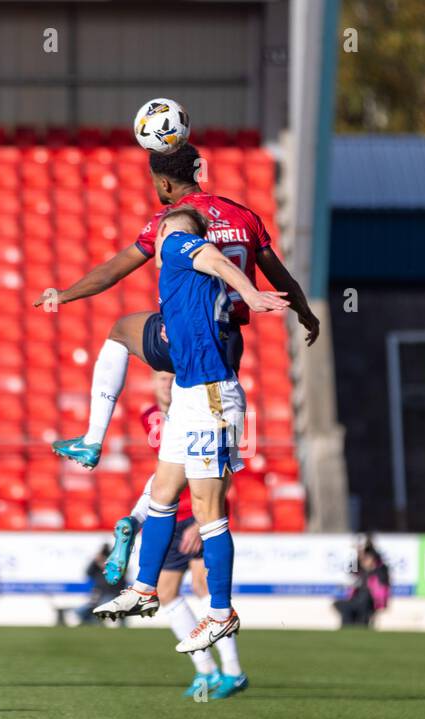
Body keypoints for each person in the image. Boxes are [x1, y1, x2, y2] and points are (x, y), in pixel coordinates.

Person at [36, 143, 320, 469]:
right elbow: (282, 278)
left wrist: (65, 294)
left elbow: (113, 270)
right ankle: (149, 512)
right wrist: (306, 313)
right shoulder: (244, 215)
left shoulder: (171, 222)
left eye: (155, 180)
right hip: (230, 346)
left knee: (119, 332)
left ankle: (92, 439)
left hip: (186, 340)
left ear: (165, 184)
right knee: (191, 466)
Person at [92, 205, 287, 664]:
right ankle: (143, 589)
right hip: (188, 394)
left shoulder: (180, 242)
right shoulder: (184, 272)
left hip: (212, 397)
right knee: (162, 492)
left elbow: (218, 261)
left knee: (206, 509)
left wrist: (251, 292)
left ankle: (220, 613)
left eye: (157, 236)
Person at [105, 371, 244, 700]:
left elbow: (227, 470)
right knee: (165, 594)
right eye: (160, 379)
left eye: (171, 377)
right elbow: (163, 472)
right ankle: (206, 670)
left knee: (204, 589)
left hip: (199, 515)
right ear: (152, 383)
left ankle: (235, 670)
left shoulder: (206, 409)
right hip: (168, 518)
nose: (166, 383)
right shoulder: (151, 418)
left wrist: (202, 521)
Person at [334, 541, 392, 628]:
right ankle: (347, 628)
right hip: (357, 600)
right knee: (342, 606)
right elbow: (351, 570)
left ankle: (358, 627)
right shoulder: (361, 570)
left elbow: (381, 587)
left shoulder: (380, 570)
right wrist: (357, 555)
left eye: (366, 558)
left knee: (362, 605)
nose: (364, 561)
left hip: (372, 601)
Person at [72, 544, 122, 626]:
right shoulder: (96, 567)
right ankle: (89, 625)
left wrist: (106, 564)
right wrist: (95, 560)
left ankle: (97, 624)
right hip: (98, 595)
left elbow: (118, 580)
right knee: (80, 611)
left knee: (101, 607)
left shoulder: (115, 567)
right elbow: (88, 572)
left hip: (112, 595)